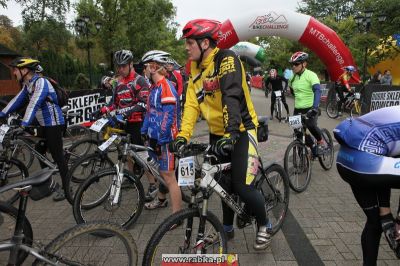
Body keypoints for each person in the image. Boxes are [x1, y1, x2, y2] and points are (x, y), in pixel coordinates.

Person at [169, 19, 271, 250]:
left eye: (190, 43)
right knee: (223, 185)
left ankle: (265, 223)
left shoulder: (226, 59)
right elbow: (192, 106)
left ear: (205, 43)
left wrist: (232, 133)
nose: (186, 47)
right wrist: (183, 136)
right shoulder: (194, 68)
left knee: (242, 186)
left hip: (242, 130)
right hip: (218, 133)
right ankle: (226, 228)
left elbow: (231, 95)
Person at [333, 106, 400, 265]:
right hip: (365, 161)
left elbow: (386, 167)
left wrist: (386, 214)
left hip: (345, 160)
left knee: (374, 222)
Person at [0, 57, 68, 201]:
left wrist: (23, 124)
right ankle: (49, 182)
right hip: (43, 124)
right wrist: (2, 114)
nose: (13, 73)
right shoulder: (28, 84)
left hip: (54, 124)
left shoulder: (41, 82)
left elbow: (34, 104)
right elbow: (16, 101)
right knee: (39, 151)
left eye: (15, 69)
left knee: (58, 157)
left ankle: (68, 189)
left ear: (24, 70)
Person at [140, 50, 181, 220]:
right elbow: (150, 113)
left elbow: (168, 116)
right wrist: (144, 131)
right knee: (163, 174)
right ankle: (162, 200)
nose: (144, 70)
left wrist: (160, 139)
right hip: (155, 138)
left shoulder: (166, 86)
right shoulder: (154, 88)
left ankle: (177, 216)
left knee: (170, 178)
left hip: (167, 140)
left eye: (145, 66)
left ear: (153, 66)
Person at [100, 50, 149, 178]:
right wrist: (104, 109)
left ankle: (152, 184)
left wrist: (126, 112)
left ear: (131, 64)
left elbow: (144, 104)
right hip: (123, 123)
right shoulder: (118, 82)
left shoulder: (139, 81)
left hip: (138, 123)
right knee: (125, 153)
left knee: (143, 155)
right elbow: (115, 104)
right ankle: (131, 177)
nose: (121, 69)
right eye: (119, 66)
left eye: (124, 66)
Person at [288, 51, 325, 155]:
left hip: (311, 107)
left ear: (304, 64)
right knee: (298, 132)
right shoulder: (292, 78)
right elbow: (292, 91)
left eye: (296, 64)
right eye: (292, 64)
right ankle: (312, 146)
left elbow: (317, 91)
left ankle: (321, 141)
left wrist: (315, 107)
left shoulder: (311, 75)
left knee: (311, 125)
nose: (293, 67)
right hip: (298, 108)